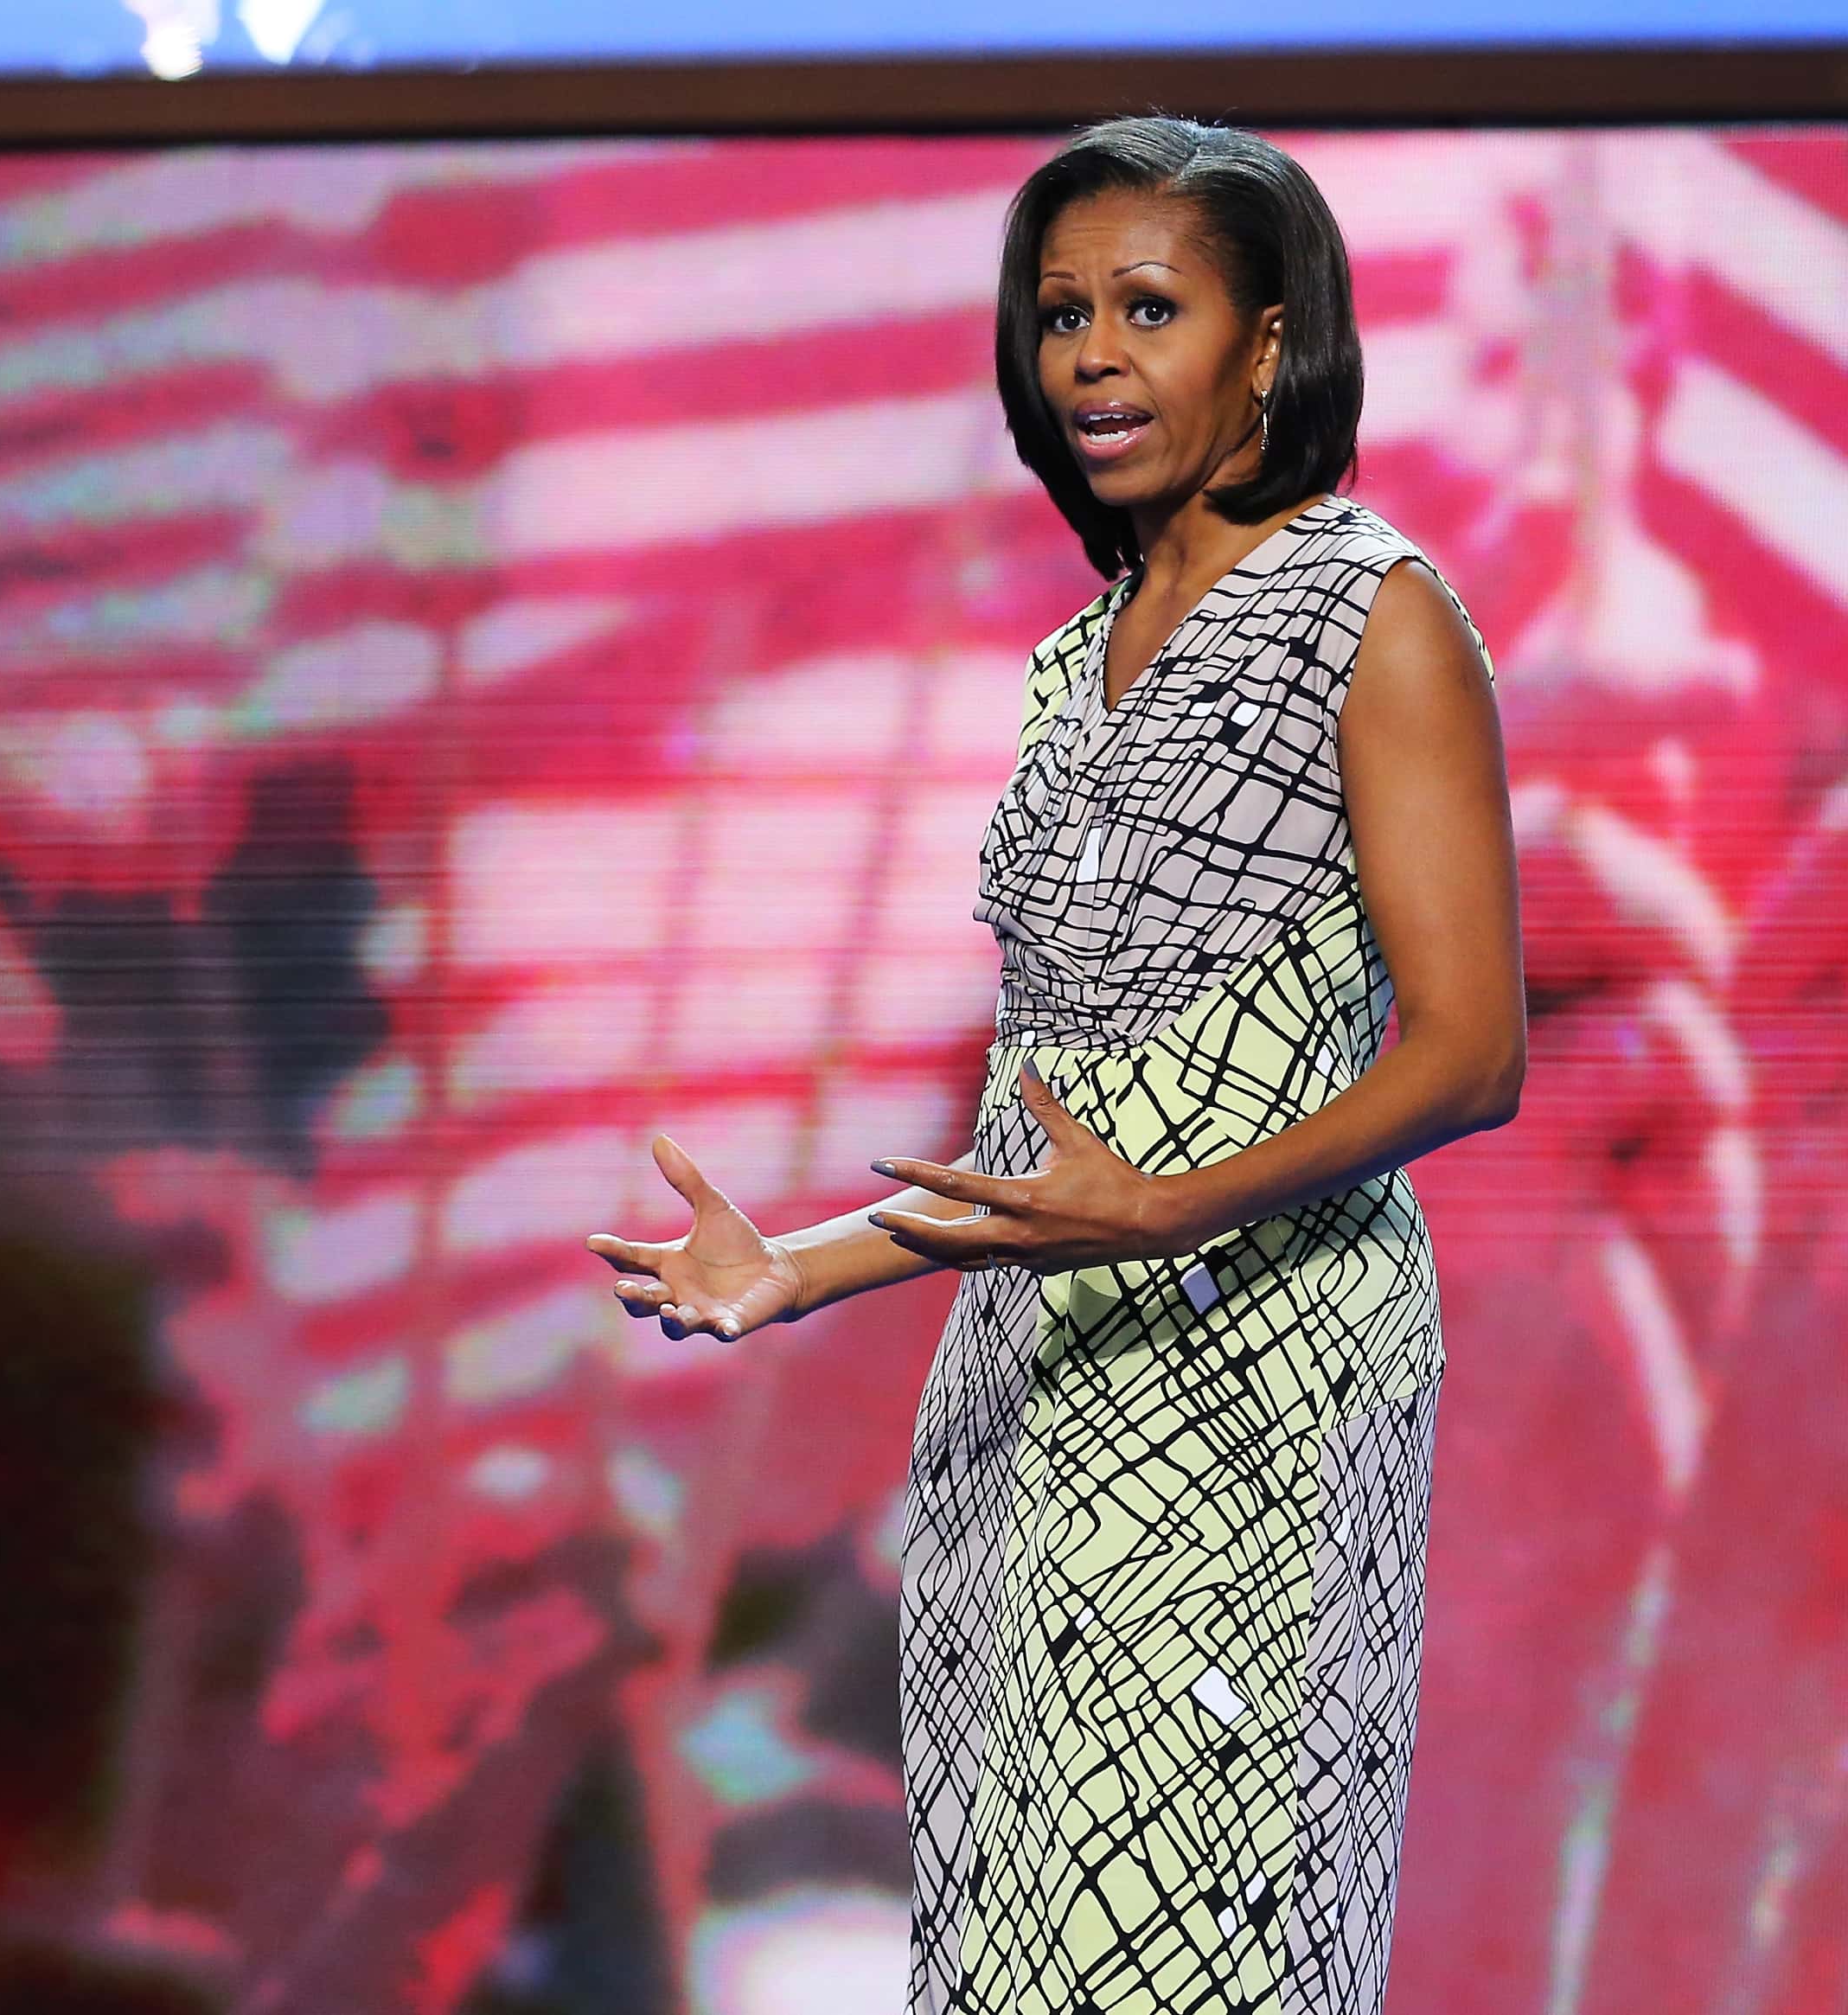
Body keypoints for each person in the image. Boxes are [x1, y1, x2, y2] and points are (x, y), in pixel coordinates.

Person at [586, 118, 1523, 2014]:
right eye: (1060, 313)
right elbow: (1050, 1137)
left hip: (1257, 1383)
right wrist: (800, 1269)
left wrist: (1173, 1208)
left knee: (1194, 1944)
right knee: (1010, 1940)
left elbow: (1471, 1050)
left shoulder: (1375, 617)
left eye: (1148, 309)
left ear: (1270, 341)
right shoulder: (1065, 664)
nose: (1090, 355)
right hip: (1031, 1386)